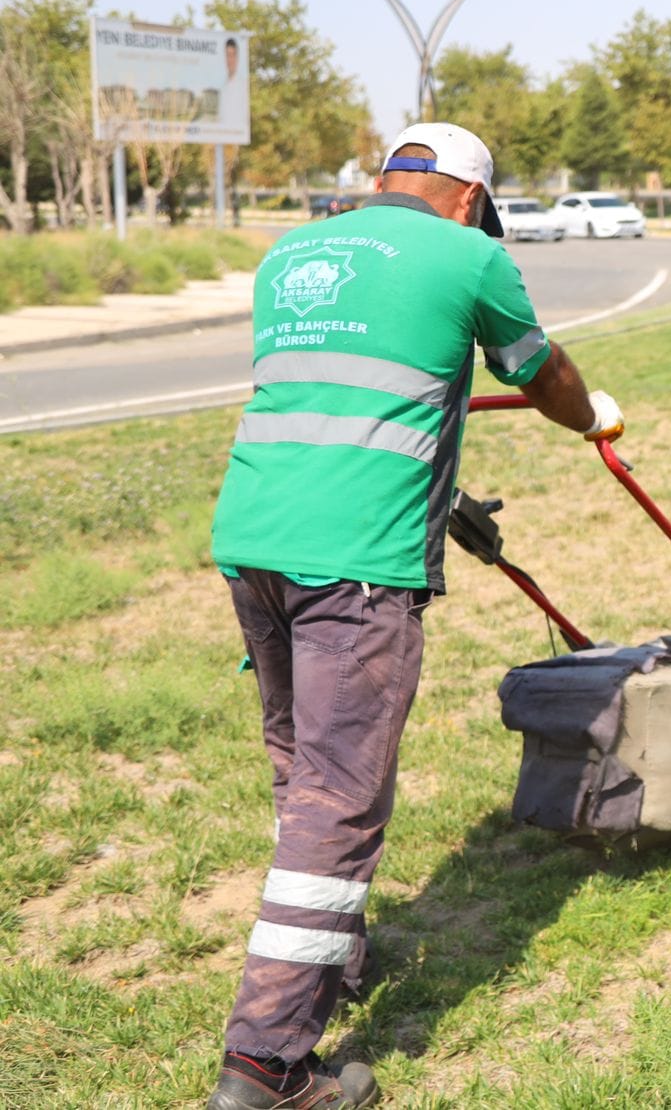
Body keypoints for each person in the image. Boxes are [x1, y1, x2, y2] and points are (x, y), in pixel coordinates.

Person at [205, 122, 625, 1110]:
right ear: (474, 196)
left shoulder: (296, 248)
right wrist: (590, 413)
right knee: (340, 798)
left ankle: (332, 956)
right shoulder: (468, 252)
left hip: (254, 537)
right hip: (356, 565)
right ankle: (266, 1064)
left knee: (301, 770)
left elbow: (354, 396)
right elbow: (538, 371)